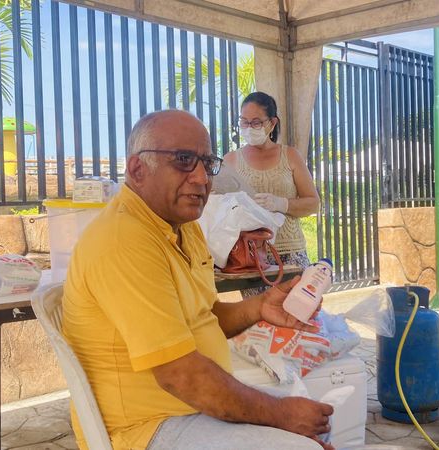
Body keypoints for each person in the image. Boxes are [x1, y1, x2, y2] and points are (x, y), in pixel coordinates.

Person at [62, 110, 334, 450]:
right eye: (183, 160)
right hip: (146, 428)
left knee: (315, 423)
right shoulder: (124, 239)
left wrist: (261, 306)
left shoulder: (184, 227)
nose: (202, 178)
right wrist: (281, 414)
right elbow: (181, 375)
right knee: (301, 440)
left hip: (190, 407)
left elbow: (203, 317)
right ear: (137, 169)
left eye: (207, 163)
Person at [223, 92, 320, 277]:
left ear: (272, 123)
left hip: (291, 252)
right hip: (250, 256)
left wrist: (281, 203)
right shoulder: (231, 160)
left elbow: (313, 203)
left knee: (298, 296)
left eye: (256, 122)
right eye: (244, 122)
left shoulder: (290, 156)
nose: (249, 128)